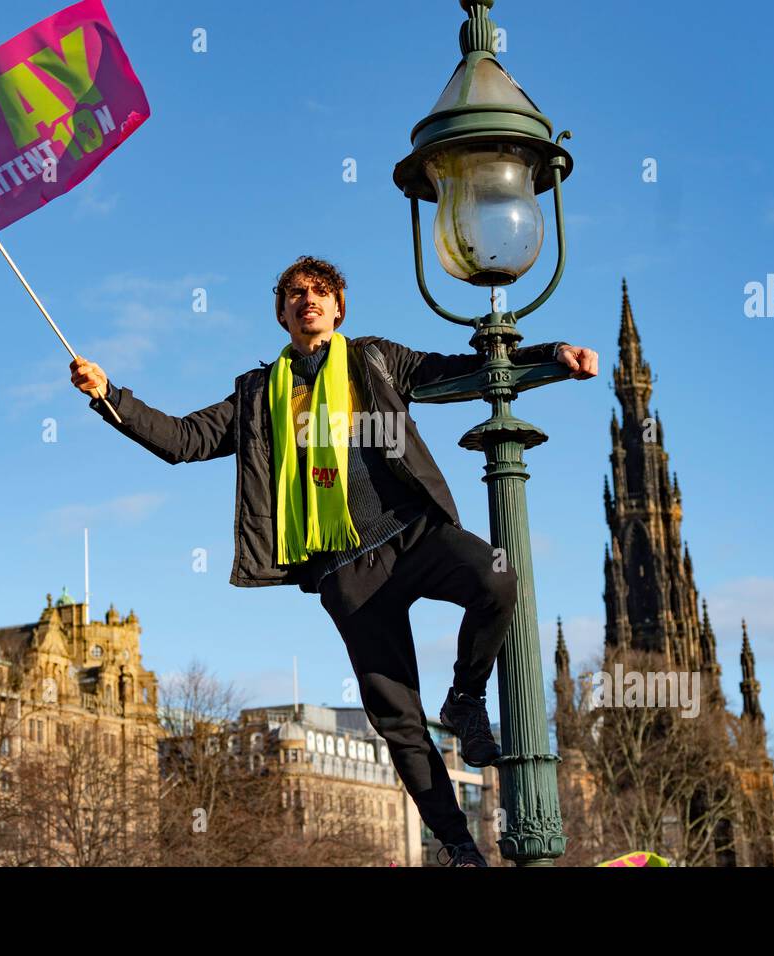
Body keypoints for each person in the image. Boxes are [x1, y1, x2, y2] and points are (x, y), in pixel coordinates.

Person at [70, 255, 598, 867]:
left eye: (320, 291)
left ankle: (465, 698)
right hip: (346, 570)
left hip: (411, 531)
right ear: (282, 314)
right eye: (295, 294)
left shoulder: (373, 358)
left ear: (339, 307)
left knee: (497, 577)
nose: (308, 299)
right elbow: (182, 440)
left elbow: (459, 369)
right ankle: (459, 846)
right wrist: (109, 396)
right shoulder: (256, 393)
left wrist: (551, 353)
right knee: (397, 717)